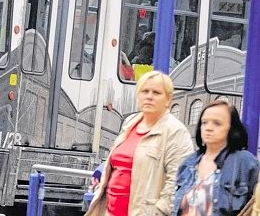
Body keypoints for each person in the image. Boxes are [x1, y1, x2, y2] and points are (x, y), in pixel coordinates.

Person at [85, 71, 194, 216]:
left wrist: (157, 212)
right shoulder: (131, 123)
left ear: (168, 99)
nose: (149, 96)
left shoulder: (176, 132)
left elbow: (180, 183)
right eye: (144, 91)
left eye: (156, 92)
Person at [171, 100, 258, 216]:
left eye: (217, 123)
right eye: (204, 122)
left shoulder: (245, 162)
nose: (208, 128)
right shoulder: (188, 163)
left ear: (231, 128)